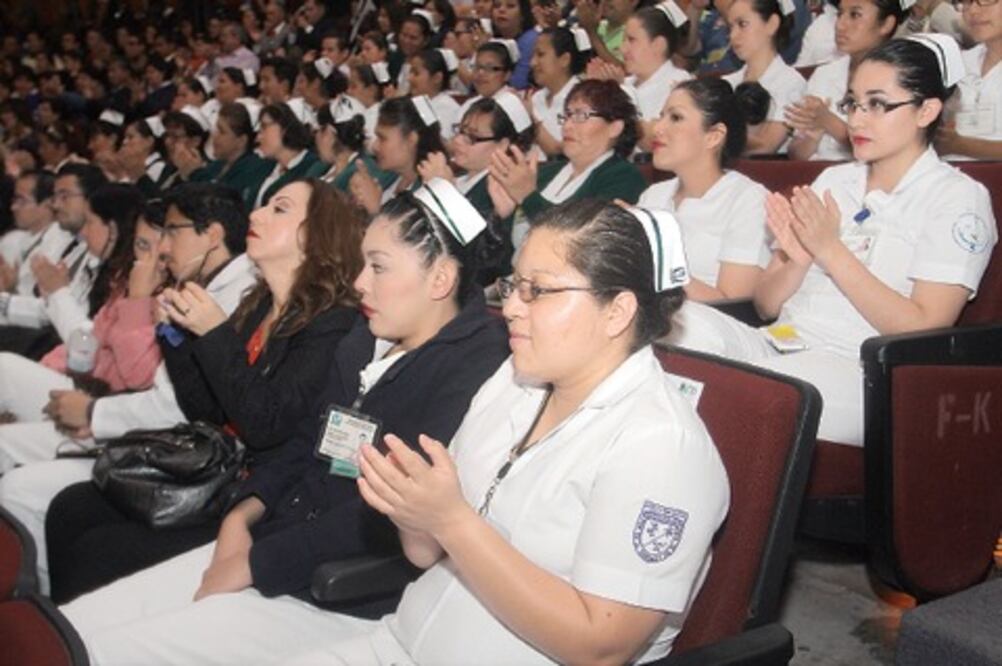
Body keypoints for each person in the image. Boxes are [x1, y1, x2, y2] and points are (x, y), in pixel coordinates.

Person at [61, 180, 512, 664]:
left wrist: (255, 563)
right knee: (80, 626)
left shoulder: (473, 367)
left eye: (378, 267)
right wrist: (242, 514)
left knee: (106, 651)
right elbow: (304, 442)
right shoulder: (365, 338)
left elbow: (387, 513)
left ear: (440, 279)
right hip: (274, 539)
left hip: (332, 588)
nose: (360, 283)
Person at [280, 198, 729, 664]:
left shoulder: (663, 447)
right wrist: (413, 511)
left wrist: (450, 519)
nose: (511, 306)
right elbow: (425, 555)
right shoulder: (513, 381)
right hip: (398, 642)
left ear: (617, 312)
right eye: (515, 285)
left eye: (538, 290)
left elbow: (601, 648)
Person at [46, 180, 367, 603]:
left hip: (257, 494)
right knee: (70, 508)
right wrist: (175, 335)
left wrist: (214, 333)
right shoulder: (259, 304)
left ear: (315, 233)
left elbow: (266, 425)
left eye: (279, 209)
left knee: (98, 551)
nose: (256, 215)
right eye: (264, 205)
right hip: (215, 470)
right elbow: (207, 410)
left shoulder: (332, 324)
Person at [670, 36, 997, 448]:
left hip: (860, 369)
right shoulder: (834, 180)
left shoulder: (957, 197)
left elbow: (925, 327)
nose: (857, 120)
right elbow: (766, 306)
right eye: (853, 103)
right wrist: (796, 260)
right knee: (672, 328)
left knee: (751, 392)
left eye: (877, 104)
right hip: (778, 342)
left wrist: (830, 250)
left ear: (926, 110)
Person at [0, 183, 258, 596]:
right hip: (128, 416)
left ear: (211, 235)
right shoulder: (196, 285)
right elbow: (96, 350)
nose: (162, 249)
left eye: (170, 233)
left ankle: (37, 605)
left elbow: (160, 392)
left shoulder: (229, 295)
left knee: (23, 490)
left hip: (171, 446)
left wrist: (92, 413)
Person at [0, 187, 156, 471]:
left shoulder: (146, 286)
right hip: (82, 380)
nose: (83, 233)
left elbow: (127, 370)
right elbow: (90, 338)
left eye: (90, 222)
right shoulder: (118, 274)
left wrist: (57, 292)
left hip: (109, 408)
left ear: (113, 228)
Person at [639, 78, 771, 302]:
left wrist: (659, 254)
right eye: (661, 116)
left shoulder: (748, 200)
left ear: (713, 136)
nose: (657, 128)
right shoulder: (653, 195)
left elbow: (733, 306)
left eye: (676, 118)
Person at [489, 80, 647, 246]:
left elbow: (581, 241)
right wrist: (503, 217)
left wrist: (527, 196)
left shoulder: (624, 178)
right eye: (567, 115)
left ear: (615, 127)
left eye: (581, 115)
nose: (567, 126)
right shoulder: (545, 172)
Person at [0, 164, 106, 347]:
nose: (56, 205)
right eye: (55, 197)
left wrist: (57, 291)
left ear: (91, 199)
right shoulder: (73, 245)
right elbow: (46, 308)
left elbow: (77, 324)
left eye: (65, 196)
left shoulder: (98, 251)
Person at [787, 0, 905, 160]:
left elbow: (885, 151)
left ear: (886, 24)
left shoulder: (899, 80)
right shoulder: (824, 74)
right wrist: (812, 136)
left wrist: (828, 120)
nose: (840, 25)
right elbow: (796, 155)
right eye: (840, 14)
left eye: (855, 15)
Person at [601, 2, 693, 151]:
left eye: (631, 40)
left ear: (658, 45)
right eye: (623, 40)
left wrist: (621, 93)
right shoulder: (626, 82)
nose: (623, 48)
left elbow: (659, 141)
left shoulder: (681, 86)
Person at [722, 0, 807, 154]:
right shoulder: (726, 83)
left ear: (772, 24)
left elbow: (767, 145)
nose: (733, 36)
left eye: (742, 24)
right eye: (730, 27)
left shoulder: (790, 82)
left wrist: (719, 134)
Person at [349, 96, 447, 215]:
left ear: (411, 139)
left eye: (382, 138)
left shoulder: (430, 193)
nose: (375, 146)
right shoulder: (386, 177)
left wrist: (374, 209)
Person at [936, 0, 1002, 160]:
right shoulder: (957, 63)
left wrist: (962, 146)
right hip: (947, 171)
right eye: (966, 2)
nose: (972, 11)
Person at [191, 102, 273, 211]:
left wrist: (194, 173)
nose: (215, 136)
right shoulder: (215, 166)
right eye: (216, 129)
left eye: (222, 132)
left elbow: (225, 204)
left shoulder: (254, 169)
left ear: (241, 140)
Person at [530, 27, 589, 158]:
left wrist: (530, 118)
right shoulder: (534, 98)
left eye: (540, 54)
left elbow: (560, 153)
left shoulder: (584, 99)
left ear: (564, 59)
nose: (532, 62)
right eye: (533, 55)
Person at [315, 97, 396, 193]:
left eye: (318, 131)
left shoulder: (361, 173)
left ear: (329, 132)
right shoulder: (326, 169)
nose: (316, 137)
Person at [254, 102, 326, 207]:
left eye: (264, 127)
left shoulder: (312, 168)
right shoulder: (265, 167)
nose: (258, 137)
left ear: (285, 127)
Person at [408, 48, 462, 141]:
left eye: (416, 73)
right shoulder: (411, 102)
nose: (409, 78)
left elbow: (438, 141)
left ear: (437, 78)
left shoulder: (448, 107)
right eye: (410, 72)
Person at [491, 0, 538, 89]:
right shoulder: (491, 39)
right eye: (497, 6)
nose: (501, 10)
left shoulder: (531, 39)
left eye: (510, 6)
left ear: (523, 14)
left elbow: (518, 83)